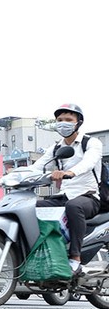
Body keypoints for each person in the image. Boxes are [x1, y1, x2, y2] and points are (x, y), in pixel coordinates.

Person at [32, 103, 103, 275]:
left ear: (78, 122)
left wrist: (70, 172)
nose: (63, 123)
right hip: (64, 195)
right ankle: (43, 253)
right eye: (60, 120)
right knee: (32, 207)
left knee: (74, 206)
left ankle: (75, 258)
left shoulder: (91, 143)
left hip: (89, 196)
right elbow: (37, 167)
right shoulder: (56, 148)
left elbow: (89, 163)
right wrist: (8, 177)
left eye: (68, 119)